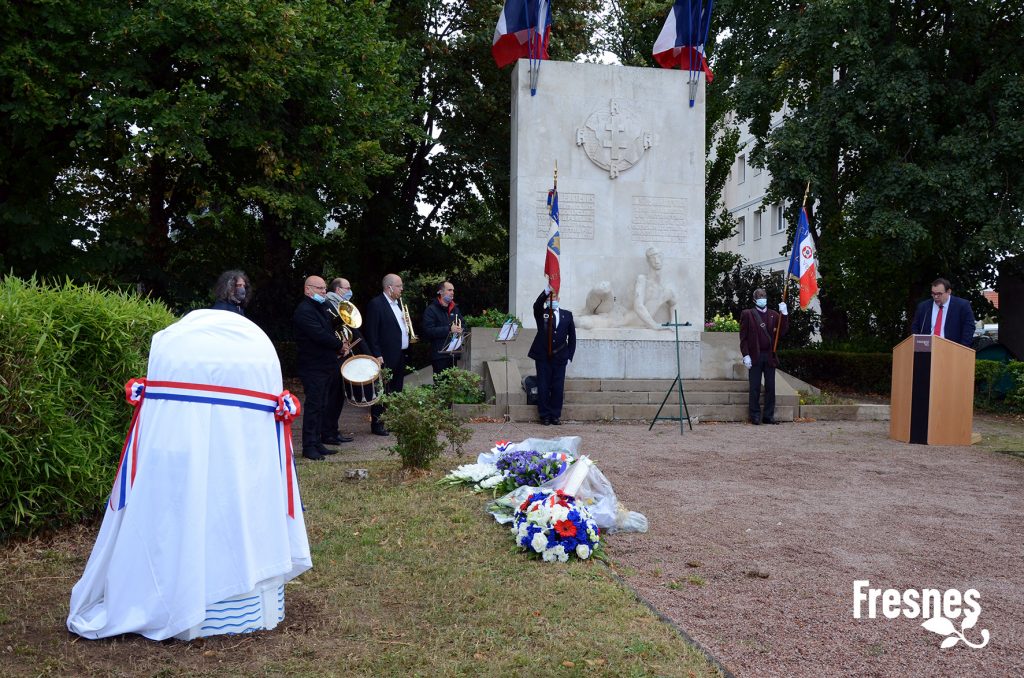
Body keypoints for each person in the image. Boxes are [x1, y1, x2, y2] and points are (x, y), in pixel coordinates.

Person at [67, 310, 311, 640]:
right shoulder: (243, 347)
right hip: (236, 449)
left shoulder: (178, 346)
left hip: (188, 445)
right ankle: (214, 600)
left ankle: (198, 599)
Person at [292, 276, 345, 459]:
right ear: (308, 290)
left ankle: (317, 442)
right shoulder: (304, 310)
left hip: (326, 364)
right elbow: (319, 335)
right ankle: (308, 446)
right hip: (313, 366)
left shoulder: (322, 307)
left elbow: (332, 327)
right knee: (314, 406)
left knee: (323, 405)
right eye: (320, 288)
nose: (324, 291)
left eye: (324, 288)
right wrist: (339, 345)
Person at [362, 273, 410, 436]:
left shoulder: (398, 305)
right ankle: (378, 424)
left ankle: (393, 421)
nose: (401, 289)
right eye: (399, 286)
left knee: (397, 389)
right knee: (381, 390)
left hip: (400, 353)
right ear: (389, 287)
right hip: (384, 355)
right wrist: (376, 354)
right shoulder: (376, 304)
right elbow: (371, 332)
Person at [739, 288, 789, 425]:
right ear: (754, 299)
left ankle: (768, 415)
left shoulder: (774, 314)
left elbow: (782, 331)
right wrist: (746, 355)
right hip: (755, 356)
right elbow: (743, 338)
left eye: (764, 296)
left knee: (770, 387)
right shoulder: (748, 314)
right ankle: (754, 415)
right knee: (754, 387)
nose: (762, 298)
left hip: (769, 356)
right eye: (759, 296)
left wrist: (784, 314)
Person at [528, 286, 576, 425]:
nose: (552, 300)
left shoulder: (567, 315)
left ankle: (555, 415)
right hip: (543, 356)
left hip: (560, 357)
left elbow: (572, 337)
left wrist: (569, 356)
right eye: (550, 298)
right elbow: (536, 304)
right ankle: (545, 415)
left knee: (557, 387)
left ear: (558, 299)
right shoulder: (541, 313)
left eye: (554, 297)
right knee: (543, 386)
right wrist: (546, 292)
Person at [321, 277, 358, 446]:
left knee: (338, 396)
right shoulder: (328, 305)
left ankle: (333, 430)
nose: (350, 291)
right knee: (332, 396)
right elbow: (329, 329)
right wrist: (339, 344)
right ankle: (327, 433)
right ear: (338, 290)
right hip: (333, 356)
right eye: (347, 288)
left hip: (342, 354)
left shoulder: (342, 305)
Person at [910, 278, 976, 347]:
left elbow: (969, 329)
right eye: (933, 293)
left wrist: (962, 349)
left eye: (939, 294)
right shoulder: (924, 307)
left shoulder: (962, 306)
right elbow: (915, 327)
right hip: (927, 348)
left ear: (948, 292)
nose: (935, 297)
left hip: (953, 350)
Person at [422, 281, 463, 377]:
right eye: (449, 290)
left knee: (453, 386)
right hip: (439, 356)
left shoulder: (455, 309)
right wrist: (449, 329)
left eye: (453, 290)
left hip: (454, 354)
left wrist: (461, 329)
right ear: (440, 292)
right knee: (441, 386)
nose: (452, 292)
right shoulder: (431, 310)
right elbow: (428, 331)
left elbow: (463, 323)